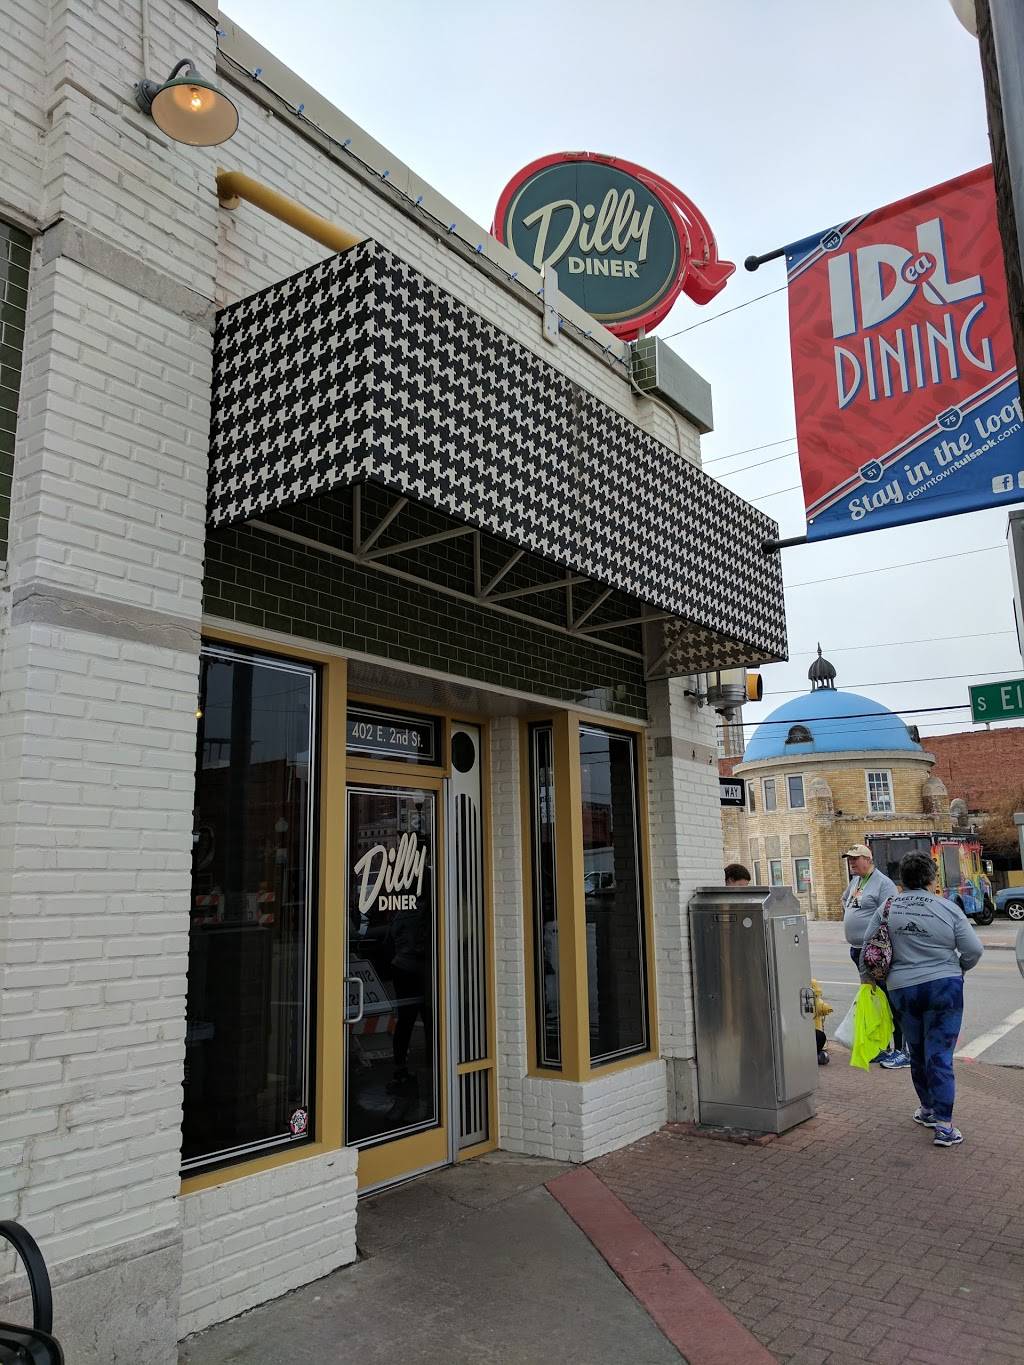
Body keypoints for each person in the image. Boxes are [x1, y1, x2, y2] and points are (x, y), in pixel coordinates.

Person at [859, 850, 983, 1147]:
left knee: (917, 1051)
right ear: (931, 878)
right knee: (939, 1055)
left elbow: (868, 948)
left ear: (902, 879)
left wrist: (869, 981)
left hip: (902, 989)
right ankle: (944, 1126)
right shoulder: (947, 908)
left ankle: (927, 1109)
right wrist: (959, 968)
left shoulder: (888, 907)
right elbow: (974, 950)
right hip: (943, 987)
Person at [841, 843, 906, 1068]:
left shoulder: (883, 883)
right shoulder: (856, 882)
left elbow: (891, 914)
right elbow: (845, 900)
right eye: (850, 859)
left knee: (888, 997)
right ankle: (880, 1046)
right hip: (857, 949)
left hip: (875, 951)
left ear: (868, 859)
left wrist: (877, 942)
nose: (851, 862)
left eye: (855, 858)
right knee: (874, 999)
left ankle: (900, 1049)